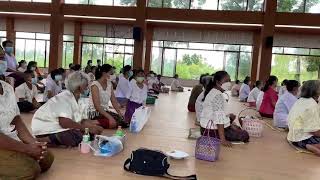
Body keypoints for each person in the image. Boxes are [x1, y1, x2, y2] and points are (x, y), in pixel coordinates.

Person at [0, 61, 54, 179]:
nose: (2, 62)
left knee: (46, 157)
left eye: (2, 58)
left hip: (9, 138)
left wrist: (32, 143)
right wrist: (27, 149)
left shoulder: (7, 88)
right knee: (29, 169)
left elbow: (16, 119)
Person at [32, 71, 103, 147]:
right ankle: (43, 139)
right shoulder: (64, 97)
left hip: (61, 128)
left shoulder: (80, 99)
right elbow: (64, 122)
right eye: (86, 85)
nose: (87, 88)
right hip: (46, 129)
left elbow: (82, 120)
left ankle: (55, 140)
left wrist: (93, 127)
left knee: (89, 134)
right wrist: (86, 129)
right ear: (79, 86)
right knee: (73, 136)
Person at [200, 71, 249, 147]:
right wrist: (223, 140)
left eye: (229, 80)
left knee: (233, 121)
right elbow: (219, 119)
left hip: (205, 128)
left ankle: (229, 128)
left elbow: (218, 114)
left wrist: (229, 121)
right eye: (226, 81)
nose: (229, 83)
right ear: (217, 82)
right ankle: (225, 133)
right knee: (244, 134)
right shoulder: (218, 95)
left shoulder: (213, 91)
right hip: (212, 131)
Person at [89, 64, 128, 129]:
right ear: (104, 73)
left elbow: (114, 101)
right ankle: (91, 122)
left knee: (122, 122)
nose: (113, 75)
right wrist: (109, 117)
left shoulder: (109, 84)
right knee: (113, 122)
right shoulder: (95, 85)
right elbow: (97, 106)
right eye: (111, 73)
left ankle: (99, 123)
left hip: (104, 111)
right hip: (95, 112)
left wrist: (120, 113)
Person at [287, 80, 320, 155]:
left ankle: (308, 146)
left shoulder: (300, 100)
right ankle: (312, 145)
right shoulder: (312, 104)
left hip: (293, 137)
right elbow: (314, 131)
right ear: (316, 91)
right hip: (303, 138)